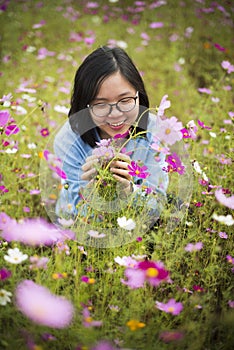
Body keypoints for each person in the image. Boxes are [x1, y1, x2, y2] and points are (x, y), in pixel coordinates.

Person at [53, 45, 169, 219]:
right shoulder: (68, 140)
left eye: (125, 100)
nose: (115, 114)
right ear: (85, 106)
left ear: (139, 95)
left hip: (137, 225)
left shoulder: (153, 130)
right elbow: (72, 212)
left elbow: (158, 203)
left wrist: (129, 191)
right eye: (100, 104)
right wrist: (93, 191)